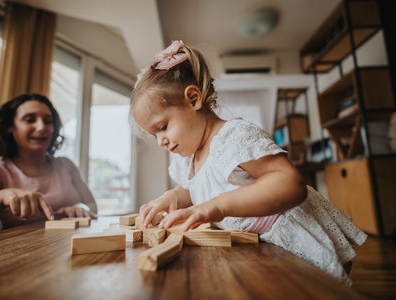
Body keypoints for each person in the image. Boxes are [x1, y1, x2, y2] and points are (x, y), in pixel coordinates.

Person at [131, 40, 366, 285]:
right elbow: (196, 188)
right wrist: (172, 197)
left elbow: (290, 182)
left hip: (286, 239)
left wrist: (219, 207)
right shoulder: (188, 158)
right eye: (154, 135)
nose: (161, 141)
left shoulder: (233, 137)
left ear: (193, 99)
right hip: (252, 248)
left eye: (163, 127)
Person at [0, 94, 97, 241]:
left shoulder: (66, 165)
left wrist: (80, 207)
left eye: (48, 121)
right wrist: (1, 196)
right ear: (10, 127)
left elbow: (92, 205)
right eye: (30, 120)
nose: (41, 127)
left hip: (69, 250)